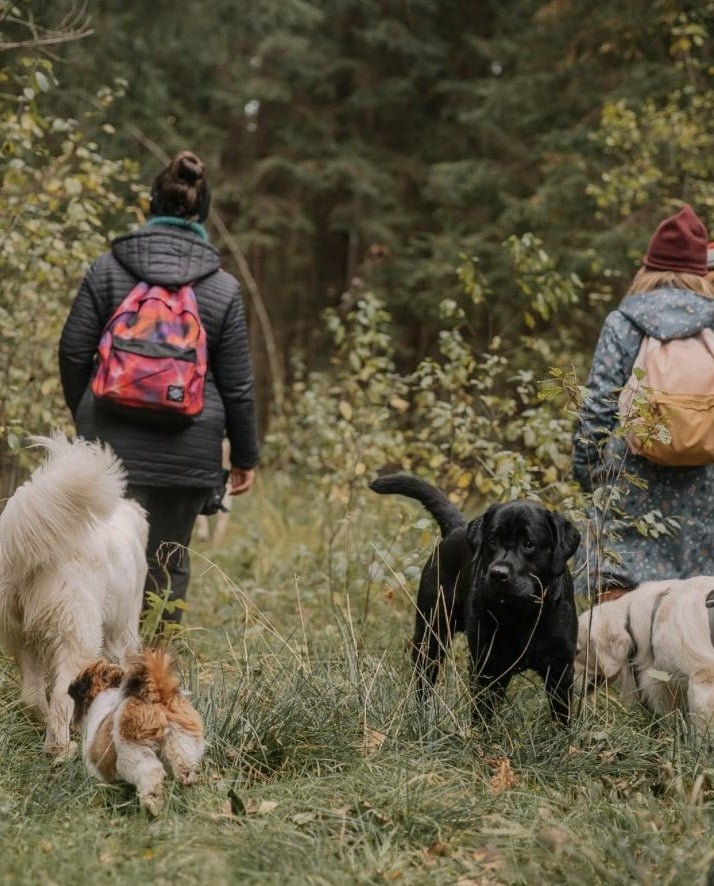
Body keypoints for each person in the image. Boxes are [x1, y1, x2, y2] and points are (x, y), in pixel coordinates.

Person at [59, 150, 260, 626]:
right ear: (203, 212)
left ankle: (94, 665)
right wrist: (244, 457)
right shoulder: (222, 288)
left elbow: (72, 353)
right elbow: (238, 386)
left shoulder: (109, 268)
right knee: (167, 568)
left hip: (107, 447)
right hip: (187, 456)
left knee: (95, 562)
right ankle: (153, 668)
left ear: (151, 203)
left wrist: (87, 415)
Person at [572, 204, 714, 598]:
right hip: (704, 491)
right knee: (697, 607)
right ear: (699, 271)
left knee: (617, 603)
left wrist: (589, 475)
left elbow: (598, 408)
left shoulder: (623, 322)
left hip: (629, 483)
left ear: (649, 267)